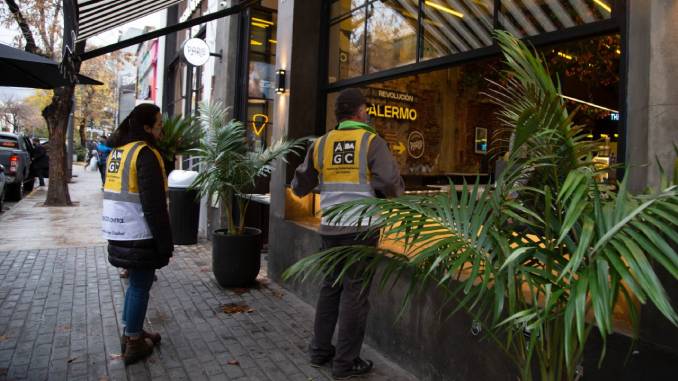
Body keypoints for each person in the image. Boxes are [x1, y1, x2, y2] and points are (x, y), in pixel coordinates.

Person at [291, 88, 404, 379]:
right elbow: (390, 181)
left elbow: (299, 186)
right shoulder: (371, 141)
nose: (368, 112)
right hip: (362, 230)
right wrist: (388, 195)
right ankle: (345, 363)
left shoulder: (322, 143)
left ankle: (319, 352)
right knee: (355, 296)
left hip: (330, 228)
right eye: (366, 108)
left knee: (330, 289)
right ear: (360, 112)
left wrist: (325, 183)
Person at [102, 103, 173, 365]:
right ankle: (133, 341)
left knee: (136, 285)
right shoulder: (145, 154)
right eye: (158, 126)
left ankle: (133, 330)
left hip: (118, 228)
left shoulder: (119, 152)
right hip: (139, 232)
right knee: (140, 286)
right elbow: (154, 205)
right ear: (146, 128)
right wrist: (165, 242)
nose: (161, 132)